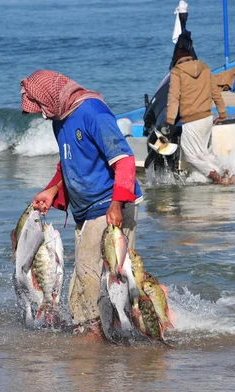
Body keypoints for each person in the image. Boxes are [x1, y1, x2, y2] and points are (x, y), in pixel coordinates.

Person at [20, 70, 143, 338]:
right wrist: (52, 191)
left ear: (50, 97)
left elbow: (124, 160)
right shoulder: (59, 119)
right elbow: (68, 162)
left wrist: (116, 205)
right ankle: (113, 336)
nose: (40, 113)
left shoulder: (92, 112)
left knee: (90, 280)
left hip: (110, 206)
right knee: (97, 281)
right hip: (85, 212)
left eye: (40, 106)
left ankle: (90, 342)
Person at [165, 34, 235, 185]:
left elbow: (174, 98)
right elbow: (215, 92)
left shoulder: (177, 72)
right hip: (207, 117)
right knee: (205, 153)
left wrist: (169, 122)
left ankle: (216, 178)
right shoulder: (204, 67)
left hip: (192, 120)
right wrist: (222, 114)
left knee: (190, 155)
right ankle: (228, 172)